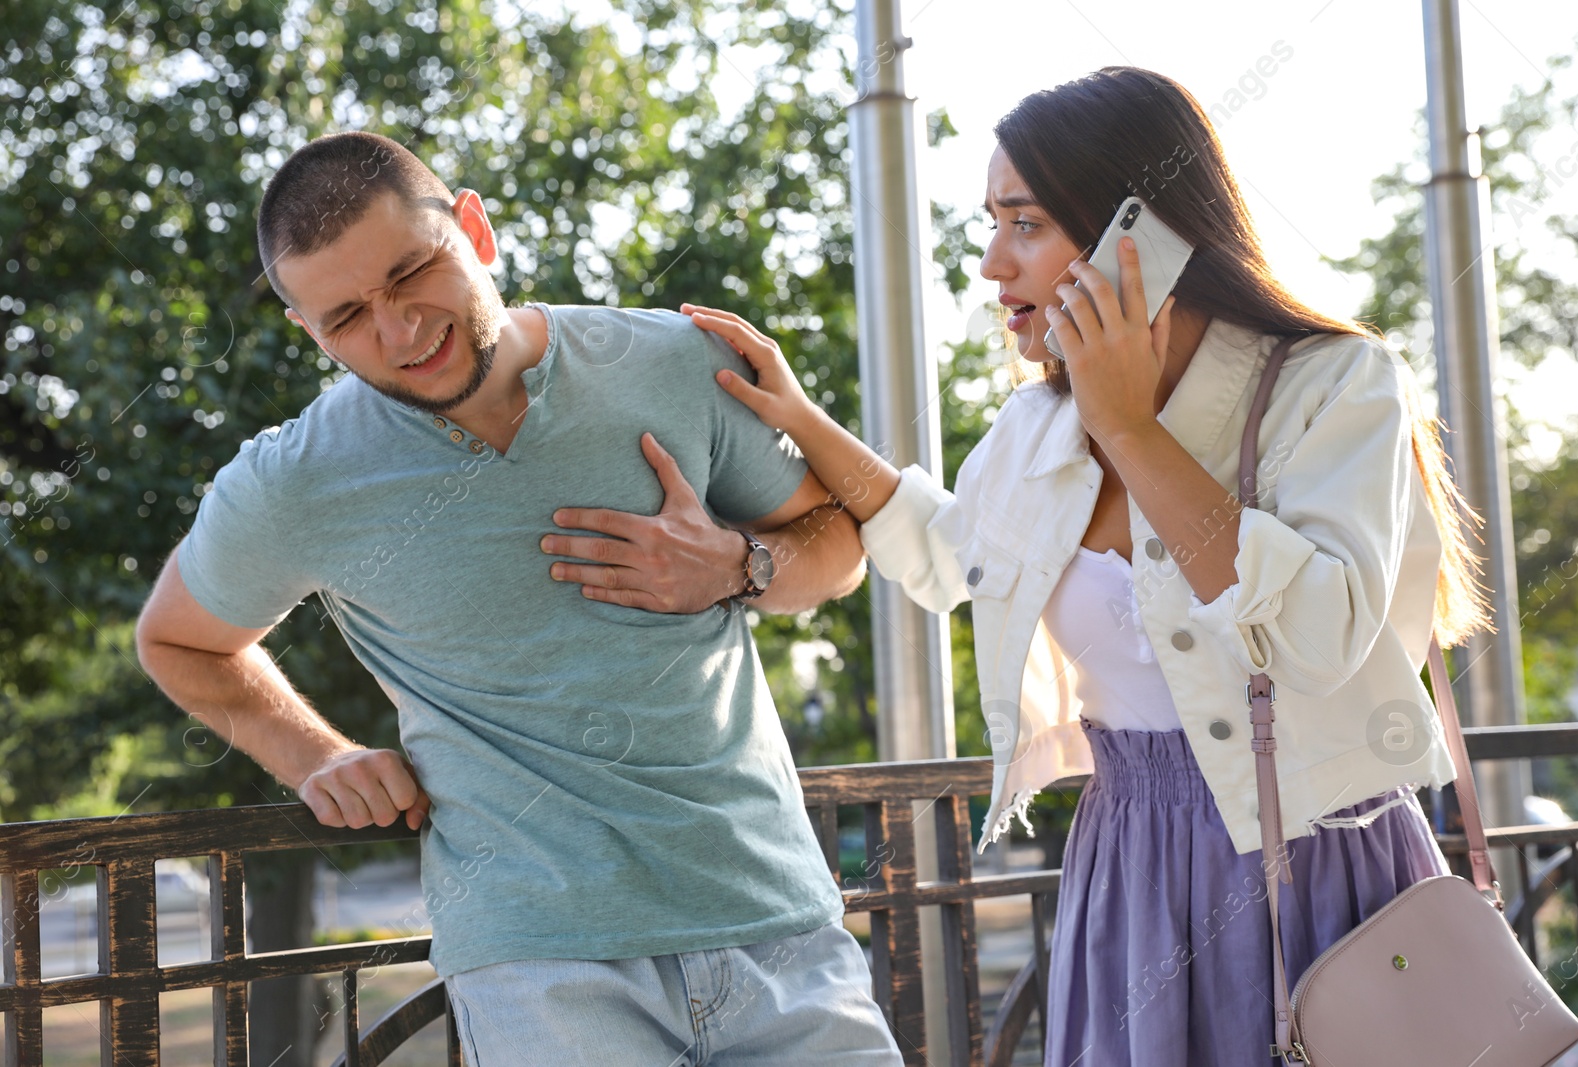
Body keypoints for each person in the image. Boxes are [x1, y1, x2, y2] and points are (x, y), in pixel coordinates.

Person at [683, 66, 1491, 1066]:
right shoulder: (1036, 427)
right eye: (991, 223)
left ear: (1139, 235)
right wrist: (806, 423)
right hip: (1129, 863)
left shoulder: (1334, 384)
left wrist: (1130, 424)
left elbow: (1323, 631)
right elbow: (947, 554)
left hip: (1319, 867)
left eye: (1023, 224)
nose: (991, 265)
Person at [134, 131, 905, 1065]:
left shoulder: (676, 361)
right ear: (308, 331)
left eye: (413, 271)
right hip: (539, 962)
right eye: (346, 317)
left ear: (475, 228)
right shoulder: (292, 479)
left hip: (778, 918)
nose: (398, 329)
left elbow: (839, 543)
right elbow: (178, 640)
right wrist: (313, 756)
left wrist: (741, 565)